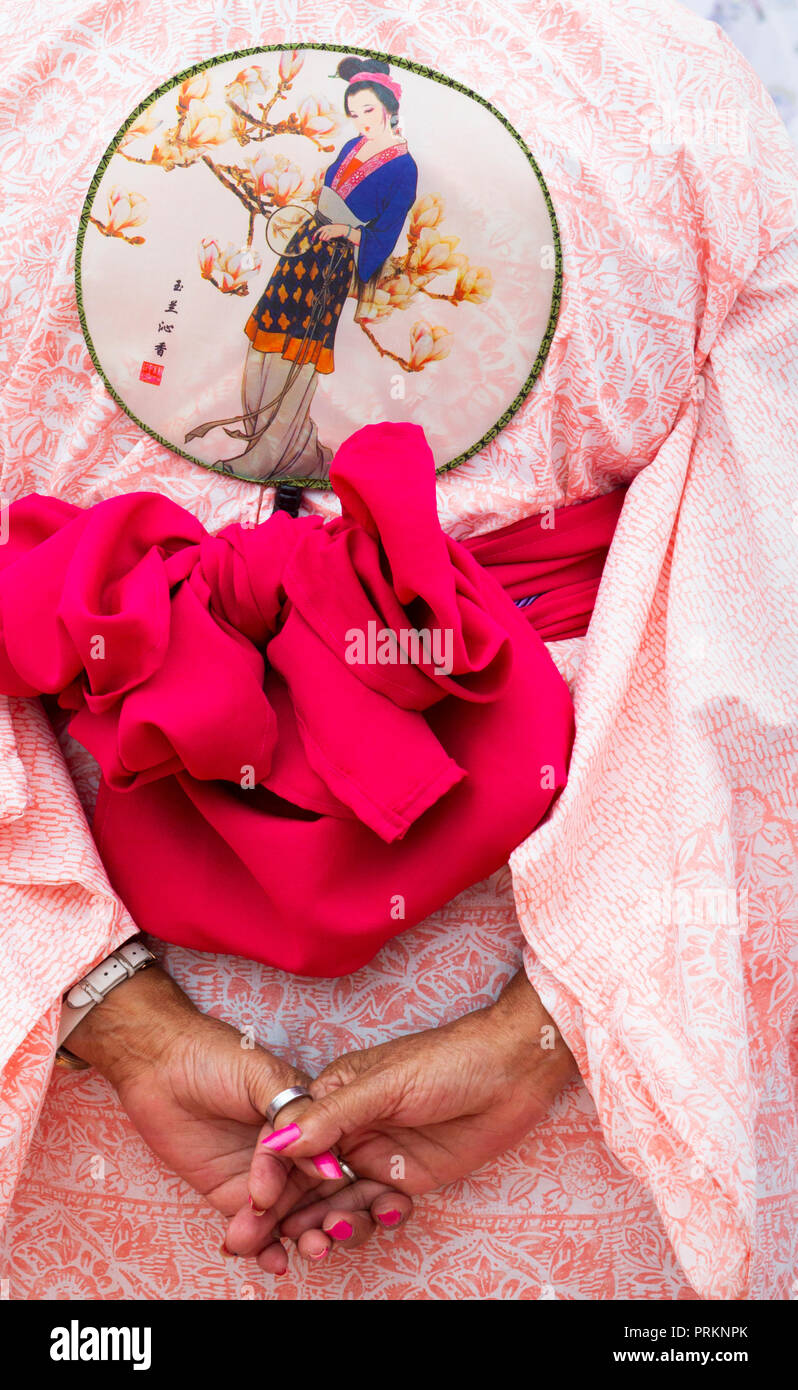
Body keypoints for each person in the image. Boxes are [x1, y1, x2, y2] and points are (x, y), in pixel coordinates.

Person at [1, 0, 796, 1303]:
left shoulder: (22, 61)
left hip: (82, 1108)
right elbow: (766, 614)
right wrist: (554, 1028)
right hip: (561, 1124)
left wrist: (105, 1013)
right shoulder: (659, 83)